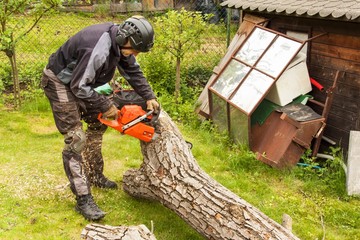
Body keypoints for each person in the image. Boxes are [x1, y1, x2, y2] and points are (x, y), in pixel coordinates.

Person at [41, 16, 160, 221]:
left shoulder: (121, 44)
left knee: (97, 124)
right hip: (60, 82)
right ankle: (83, 198)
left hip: (82, 82)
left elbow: (132, 70)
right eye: (135, 49)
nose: (135, 54)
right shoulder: (97, 46)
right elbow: (79, 86)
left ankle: (95, 175)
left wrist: (149, 97)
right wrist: (106, 105)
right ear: (125, 37)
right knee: (76, 138)